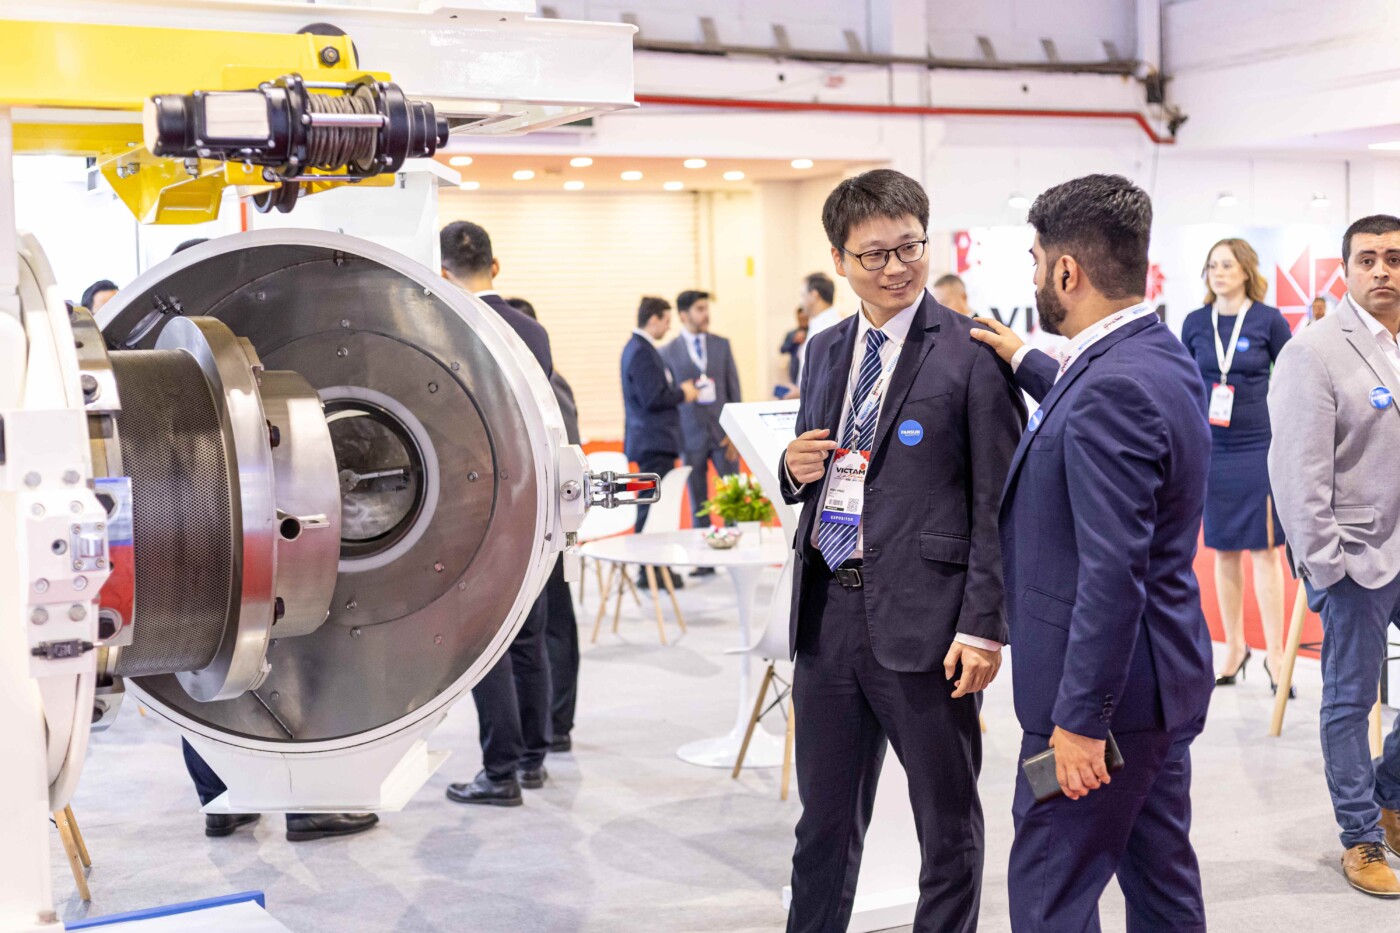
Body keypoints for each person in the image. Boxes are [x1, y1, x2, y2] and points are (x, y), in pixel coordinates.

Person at [779, 169, 1024, 932]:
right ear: (839, 259)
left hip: (930, 624)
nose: (896, 267)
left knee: (946, 827)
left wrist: (983, 625)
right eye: (875, 254)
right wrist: (791, 467)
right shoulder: (825, 349)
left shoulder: (972, 351)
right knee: (822, 826)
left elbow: (998, 503)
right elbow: (821, 464)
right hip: (828, 616)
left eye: (910, 247)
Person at [971, 174, 1213, 932]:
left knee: (1051, 891)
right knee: (1161, 883)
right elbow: (1098, 412)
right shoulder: (1155, 356)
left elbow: (1112, 574)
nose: (1035, 277)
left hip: (1101, 706)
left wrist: (1079, 722)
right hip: (1155, 689)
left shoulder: (1112, 387)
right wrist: (1026, 360)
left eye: (1037, 262)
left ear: (1066, 272)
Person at [167, 233, 378, 841]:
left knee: (202, 650)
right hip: (258, 551)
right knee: (274, 671)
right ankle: (305, 805)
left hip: (177, 545)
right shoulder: (232, 358)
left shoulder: (167, 375)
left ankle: (221, 800)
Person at [1268, 214, 1400, 898]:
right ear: (1345, 270)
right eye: (1368, 258)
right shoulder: (1314, 351)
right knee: (1350, 701)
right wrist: (1326, 566)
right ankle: (1360, 836)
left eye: (1395, 258)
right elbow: (1296, 472)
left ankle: (1391, 794)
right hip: (1355, 555)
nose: (1383, 270)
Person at [439, 221, 556, 806]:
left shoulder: (449, 328)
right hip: (532, 504)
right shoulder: (532, 330)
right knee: (530, 636)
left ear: (442, 274)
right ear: (496, 265)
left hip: (475, 509)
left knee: (488, 643)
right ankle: (534, 758)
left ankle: (500, 771)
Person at [1179, 239, 1293, 694]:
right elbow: (1182, 383)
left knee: (1265, 551)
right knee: (1223, 550)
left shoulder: (1269, 319)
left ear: (1245, 270)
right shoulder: (1195, 322)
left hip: (1258, 447)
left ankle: (1277, 655)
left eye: (1227, 264)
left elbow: (1293, 377)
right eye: (1212, 265)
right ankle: (1234, 648)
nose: (1219, 272)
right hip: (1212, 449)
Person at [507, 296, 581, 753]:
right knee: (551, 628)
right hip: (553, 523)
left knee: (542, 631)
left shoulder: (542, 388)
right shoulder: (557, 384)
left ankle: (551, 726)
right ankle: (554, 726)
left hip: (540, 527)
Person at [661, 289, 741, 573]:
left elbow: (734, 390)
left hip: (723, 434)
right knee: (698, 499)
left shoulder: (722, 345)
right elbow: (668, 398)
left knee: (732, 494)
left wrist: (736, 433)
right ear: (684, 315)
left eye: (706, 308)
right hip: (690, 434)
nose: (705, 314)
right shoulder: (666, 352)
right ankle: (704, 561)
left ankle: (736, 555)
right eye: (699, 309)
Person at [622, 296, 697, 539]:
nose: (668, 327)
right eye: (666, 321)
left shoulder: (638, 348)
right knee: (651, 505)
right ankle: (645, 559)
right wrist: (683, 393)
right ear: (654, 319)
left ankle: (653, 559)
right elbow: (652, 397)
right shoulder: (641, 351)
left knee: (655, 504)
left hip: (652, 441)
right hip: (653, 442)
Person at [795, 271, 846, 384]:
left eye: (802, 295)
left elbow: (827, 379)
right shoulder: (817, 323)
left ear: (814, 295)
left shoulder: (831, 327)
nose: (801, 302)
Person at [780, 305, 808, 387]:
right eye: (800, 318)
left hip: (808, 366)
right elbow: (782, 349)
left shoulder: (813, 332)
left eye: (804, 318)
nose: (802, 321)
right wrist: (794, 340)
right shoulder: (791, 334)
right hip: (795, 368)